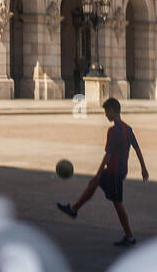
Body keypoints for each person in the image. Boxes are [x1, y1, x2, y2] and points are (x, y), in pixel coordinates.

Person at [57, 97, 149, 246]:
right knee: (93, 185)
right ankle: (74, 209)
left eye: (107, 111)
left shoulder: (113, 131)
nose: (106, 115)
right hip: (118, 170)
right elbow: (137, 148)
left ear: (113, 111)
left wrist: (98, 173)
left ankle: (130, 236)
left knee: (118, 204)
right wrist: (143, 168)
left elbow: (108, 155)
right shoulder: (127, 129)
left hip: (114, 173)